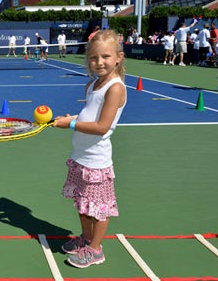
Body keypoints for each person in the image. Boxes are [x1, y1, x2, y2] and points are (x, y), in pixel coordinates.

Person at [52, 29, 126, 268]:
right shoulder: (92, 84)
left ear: (118, 58)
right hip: (81, 156)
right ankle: (85, 238)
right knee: (82, 203)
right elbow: (90, 115)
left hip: (97, 161)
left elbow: (103, 126)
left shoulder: (115, 88)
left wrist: (71, 124)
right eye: (94, 58)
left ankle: (95, 249)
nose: (99, 62)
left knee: (99, 209)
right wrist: (71, 118)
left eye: (105, 56)